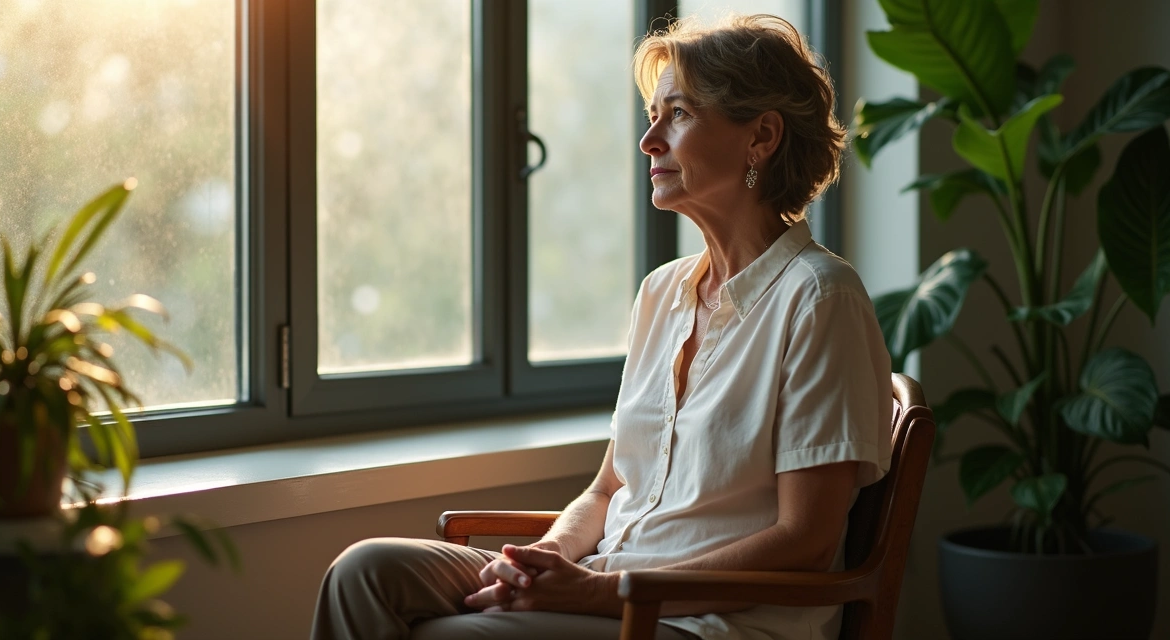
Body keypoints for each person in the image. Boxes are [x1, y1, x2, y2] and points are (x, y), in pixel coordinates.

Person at [311, 13, 892, 640]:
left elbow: (805, 540)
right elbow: (608, 486)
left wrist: (598, 593)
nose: (649, 140)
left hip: (707, 622)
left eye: (678, 114)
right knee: (364, 572)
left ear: (762, 137)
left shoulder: (819, 300)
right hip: (602, 579)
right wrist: (550, 558)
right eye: (652, 114)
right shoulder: (662, 293)